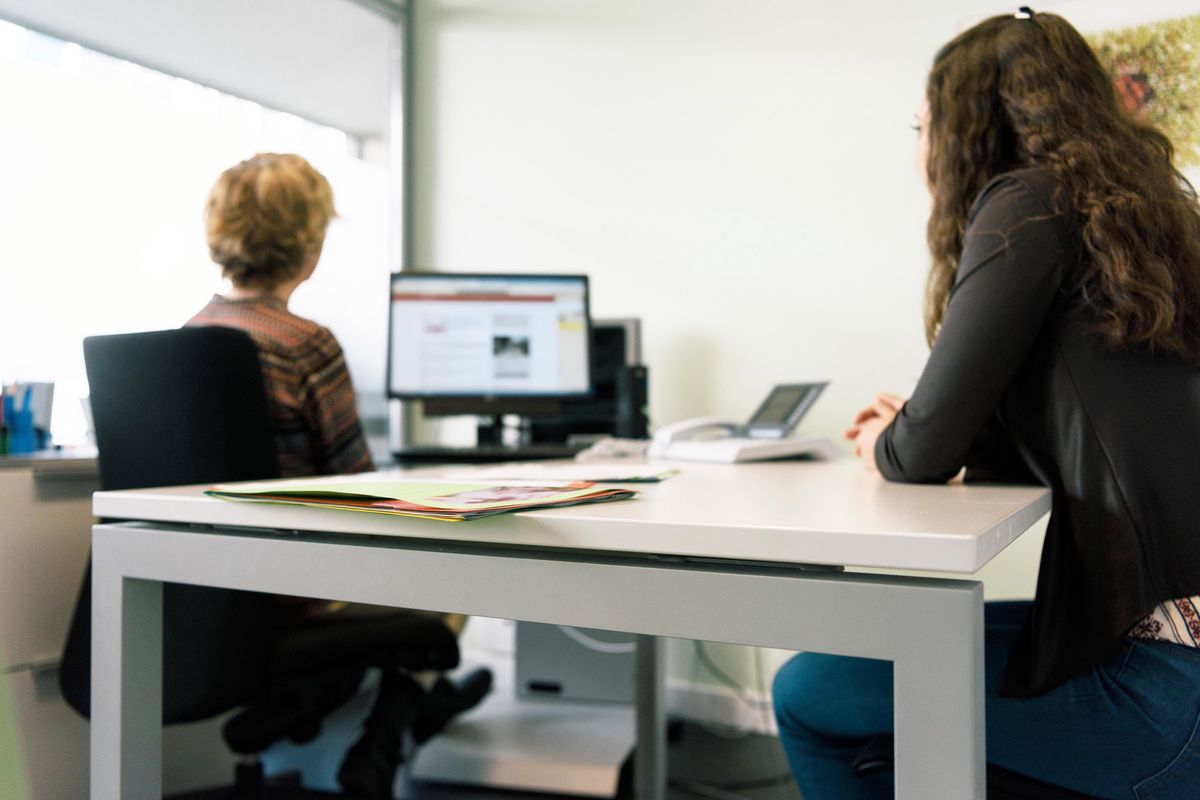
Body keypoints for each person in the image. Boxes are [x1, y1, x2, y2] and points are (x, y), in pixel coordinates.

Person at [772, 9, 1200, 800]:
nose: (918, 150)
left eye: (922, 126)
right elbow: (1022, 442)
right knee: (872, 676)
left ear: (970, 129)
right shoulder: (1151, 225)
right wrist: (924, 424)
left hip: (1166, 691)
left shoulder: (1026, 202)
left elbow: (920, 455)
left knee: (807, 693)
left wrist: (887, 440)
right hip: (1168, 655)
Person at [189, 153, 491, 799]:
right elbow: (360, 489)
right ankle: (396, 719)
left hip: (202, 591)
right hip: (298, 592)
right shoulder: (304, 344)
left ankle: (387, 703)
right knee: (466, 560)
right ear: (309, 245)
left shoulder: (186, 338)